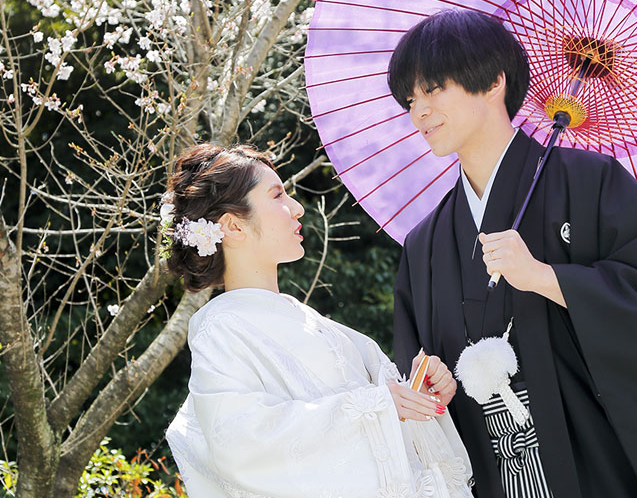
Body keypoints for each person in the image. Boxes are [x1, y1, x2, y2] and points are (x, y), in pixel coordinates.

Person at [388, 9, 637, 498]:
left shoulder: (591, 183)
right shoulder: (424, 245)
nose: (418, 112)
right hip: (488, 475)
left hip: (590, 464)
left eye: (432, 89)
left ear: (493, 81)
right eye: (409, 99)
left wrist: (546, 278)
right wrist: (432, 384)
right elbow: (417, 368)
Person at [164, 143, 474, 498]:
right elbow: (241, 443)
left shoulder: (306, 317)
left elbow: (379, 410)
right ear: (234, 227)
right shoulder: (221, 326)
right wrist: (379, 409)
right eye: (277, 195)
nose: (296, 208)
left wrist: (415, 393)